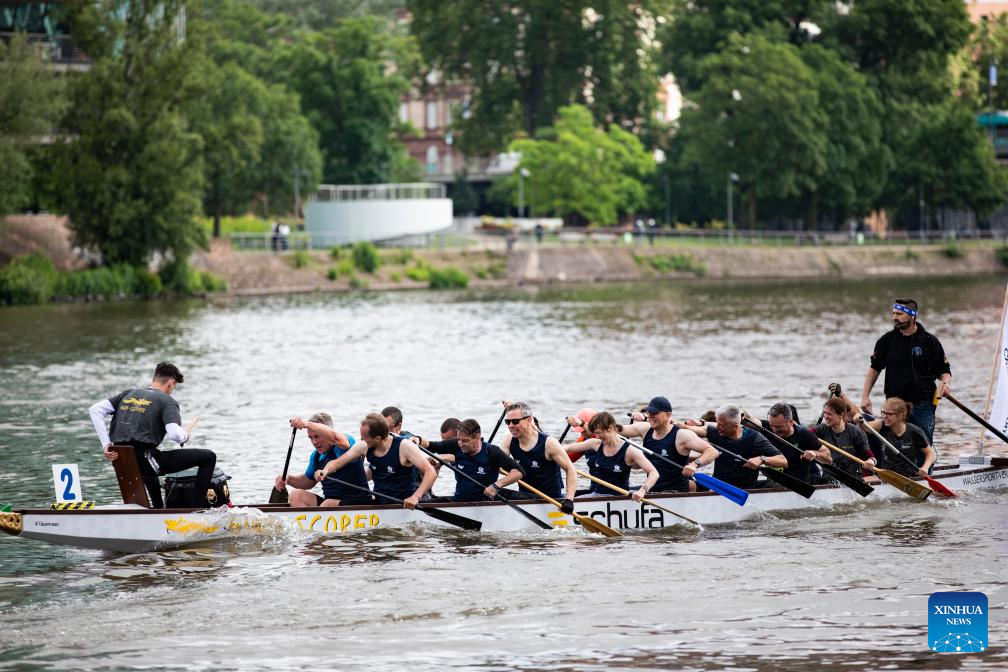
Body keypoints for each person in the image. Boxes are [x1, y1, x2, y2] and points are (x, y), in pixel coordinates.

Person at [89, 362, 215, 508]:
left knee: (150, 460)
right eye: (174, 386)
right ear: (171, 383)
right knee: (208, 457)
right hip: (145, 461)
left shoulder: (127, 394)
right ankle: (198, 510)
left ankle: (157, 508)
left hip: (121, 459)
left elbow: (95, 410)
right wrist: (185, 436)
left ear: (156, 377)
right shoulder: (166, 400)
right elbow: (175, 435)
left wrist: (106, 444)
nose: (172, 390)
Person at [860, 298, 951, 444]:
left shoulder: (929, 341)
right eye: (894, 313)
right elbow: (874, 368)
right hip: (893, 405)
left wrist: (945, 384)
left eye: (900, 314)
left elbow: (944, 372)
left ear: (913, 315)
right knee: (893, 447)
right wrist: (865, 396)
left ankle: (925, 466)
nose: (895, 317)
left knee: (923, 445)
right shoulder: (886, 341)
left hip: (922, 405)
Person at [620, 396, 718, 493]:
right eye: (649, 412)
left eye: (655, 413)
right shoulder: (645, 429)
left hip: (676, 493)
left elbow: (713, 451)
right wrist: (606, 423)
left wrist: (694, 464)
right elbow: (618, 430)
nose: (650, 416)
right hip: (652, 490)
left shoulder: (681, 435)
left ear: (668, 415)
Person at [274, 413, 371, 507]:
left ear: (327, 432)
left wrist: (306, 424)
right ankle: (306, 523)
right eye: (310, 437)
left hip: (358, 501)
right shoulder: (316, 456)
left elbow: (335, 438)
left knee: (328, 504)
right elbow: (308, 482)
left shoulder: (343, 445)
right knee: (296, 496)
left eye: (317, 436)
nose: (314, 442)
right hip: (330, 503)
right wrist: (288, 479)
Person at [680, 404, 785, 490]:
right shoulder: (715, 432)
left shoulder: (755, 438)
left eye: (721, 425)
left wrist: (762, 459)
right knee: (682, 483)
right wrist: (677, 425)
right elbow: (690, 429)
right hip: (717, 487)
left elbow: (783, 461)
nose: (717, 427)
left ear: (735, 426)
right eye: (717, 423)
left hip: (740, 491)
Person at [417, 418, 525, 502]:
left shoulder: (492, 451)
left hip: (484, 502)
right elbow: (432, 445)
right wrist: (418, 439)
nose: (460, 444)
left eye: (465, 441)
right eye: (459, 439)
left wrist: (496, 486)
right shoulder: (456, 445)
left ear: (477, 438)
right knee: (425, 502)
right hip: (460, 501)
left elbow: (518, 472)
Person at [500, 401, 578, 512]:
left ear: (528, 420)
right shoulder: (509, 439)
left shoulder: (549, 443)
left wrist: (569, 500)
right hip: (525, 496)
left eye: (515, 421)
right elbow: (499, 466)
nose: (510, 426)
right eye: (507, 422)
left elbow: (570, 469)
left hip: (550, 500)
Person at [564, 412, 658, 500]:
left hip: (619, 498)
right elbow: (568, 448)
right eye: (595, 433)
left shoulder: (630, 451)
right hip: (597, 495)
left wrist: (642, 491)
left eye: (598, 433)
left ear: (610, 428)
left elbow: (654, 473)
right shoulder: (596, 444)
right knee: (566, 500)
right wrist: (551, 448)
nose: (597, 436)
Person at [861, 397, 936, 478]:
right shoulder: (882, 425)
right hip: (886, 476)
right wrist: (858, 420)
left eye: (889, 414)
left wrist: (925, 468)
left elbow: (930, 453)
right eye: (883, 413)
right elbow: (865, 427)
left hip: (909, 478)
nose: (885, 416)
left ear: (900, 415)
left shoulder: (914, 431)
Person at [757, 403, 828, 483]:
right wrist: (742, 415)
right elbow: (750, 420)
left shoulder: (804, 434)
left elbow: (828, 457)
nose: (774, 430)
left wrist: (815, 454)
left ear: (791, 422)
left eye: (779, 427)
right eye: (772, 425)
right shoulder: (767, 427)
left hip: (799, 485)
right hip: (774, 483)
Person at [814, 397, 875, 482]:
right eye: (824, 413)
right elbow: (805, 434)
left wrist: (871, 461)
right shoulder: (821, 429)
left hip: (853, 479)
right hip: (829, 481)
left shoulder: (855, 432)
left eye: (829, 414)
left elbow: (870, 457)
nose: (825, 417)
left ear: (841, 415)